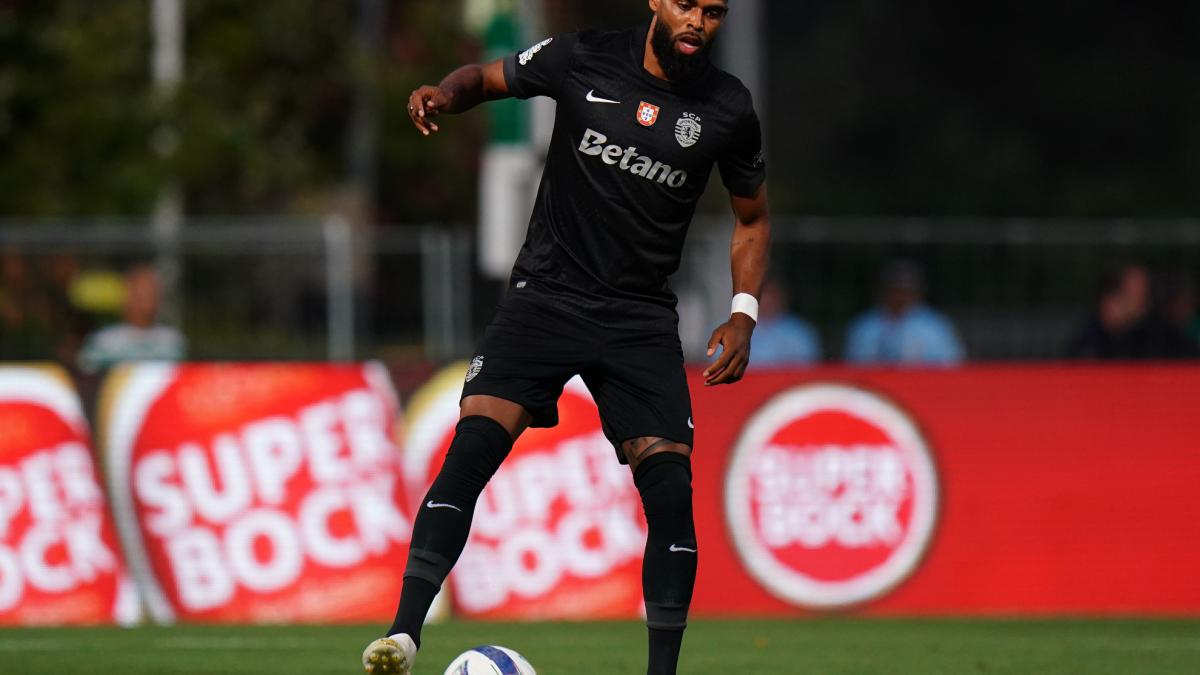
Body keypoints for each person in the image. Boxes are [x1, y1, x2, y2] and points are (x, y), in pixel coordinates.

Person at [363, 2, 769, 674]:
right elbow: (485, 78)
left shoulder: (728, 107)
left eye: (714, 11)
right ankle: (403, 636)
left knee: (671, 492)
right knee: (471, 450)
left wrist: (744, 311)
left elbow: (752, 218)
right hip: (545, 298)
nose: (698, 21)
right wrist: (445, 93)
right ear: (656, 2)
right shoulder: (584, 57)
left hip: (639, 319)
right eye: (686, 4)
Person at [844, 260, 964, 366]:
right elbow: (853, 365)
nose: (899, 296)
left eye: (905, 290)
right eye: (894, 290)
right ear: (883, 291)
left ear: (917, 292)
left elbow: (952, 364)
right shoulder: (866, 326)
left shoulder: (935, 326)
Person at [77, 263, 186, 373]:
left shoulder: (172, 341)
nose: (145, 303)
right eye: (140, 295)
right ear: (126, 296)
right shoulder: (104, 342)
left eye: (151, 294)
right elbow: (88, 376)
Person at [1066, 263, 1153, 360]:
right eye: (1130, 294)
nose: (1139, 300)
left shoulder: (1152, 335)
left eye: (1143, 293)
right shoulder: (1087, 340)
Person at [748, 277, 821, 366]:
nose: (767, 301)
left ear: (781, 297)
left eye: (772, 295)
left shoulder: (799, 332)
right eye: (762, 296)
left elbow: (809, 366)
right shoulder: (741, 330)